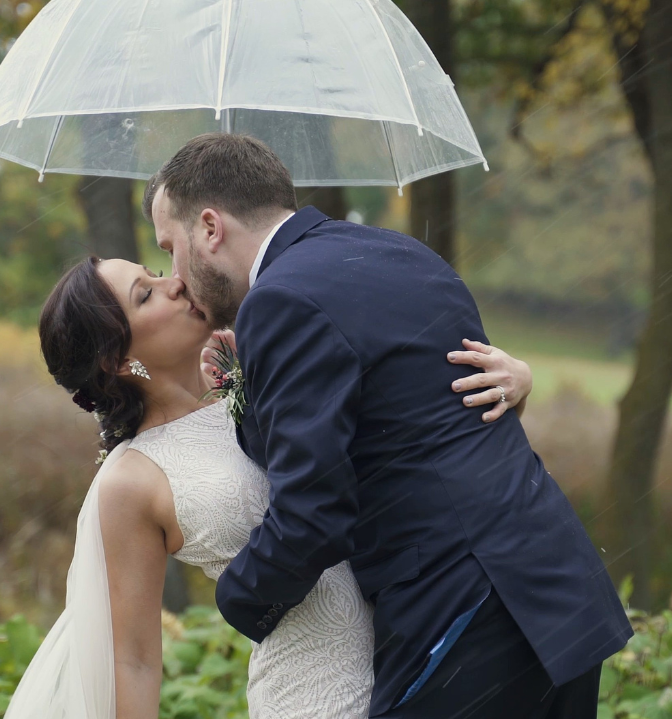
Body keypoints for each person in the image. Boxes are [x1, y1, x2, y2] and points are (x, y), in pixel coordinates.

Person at [143, 133, 633, 719]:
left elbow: (312, 512)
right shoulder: (399, 254)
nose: (175, 274)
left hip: (461, 608)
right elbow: (400, 417)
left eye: (170, 247)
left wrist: (238, 599)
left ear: (210, 228)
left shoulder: (280, 301)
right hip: (556, 591)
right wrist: (243, 390)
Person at [11, 253, 533, 719]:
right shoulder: (130, 481)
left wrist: (515, 386)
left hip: (419, 653)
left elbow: (410, 442)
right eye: (145, 294)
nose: (172, 282)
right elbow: (133, 659)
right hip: (313, 694)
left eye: (154, 271)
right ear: (118, 360)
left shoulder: (266, 376)